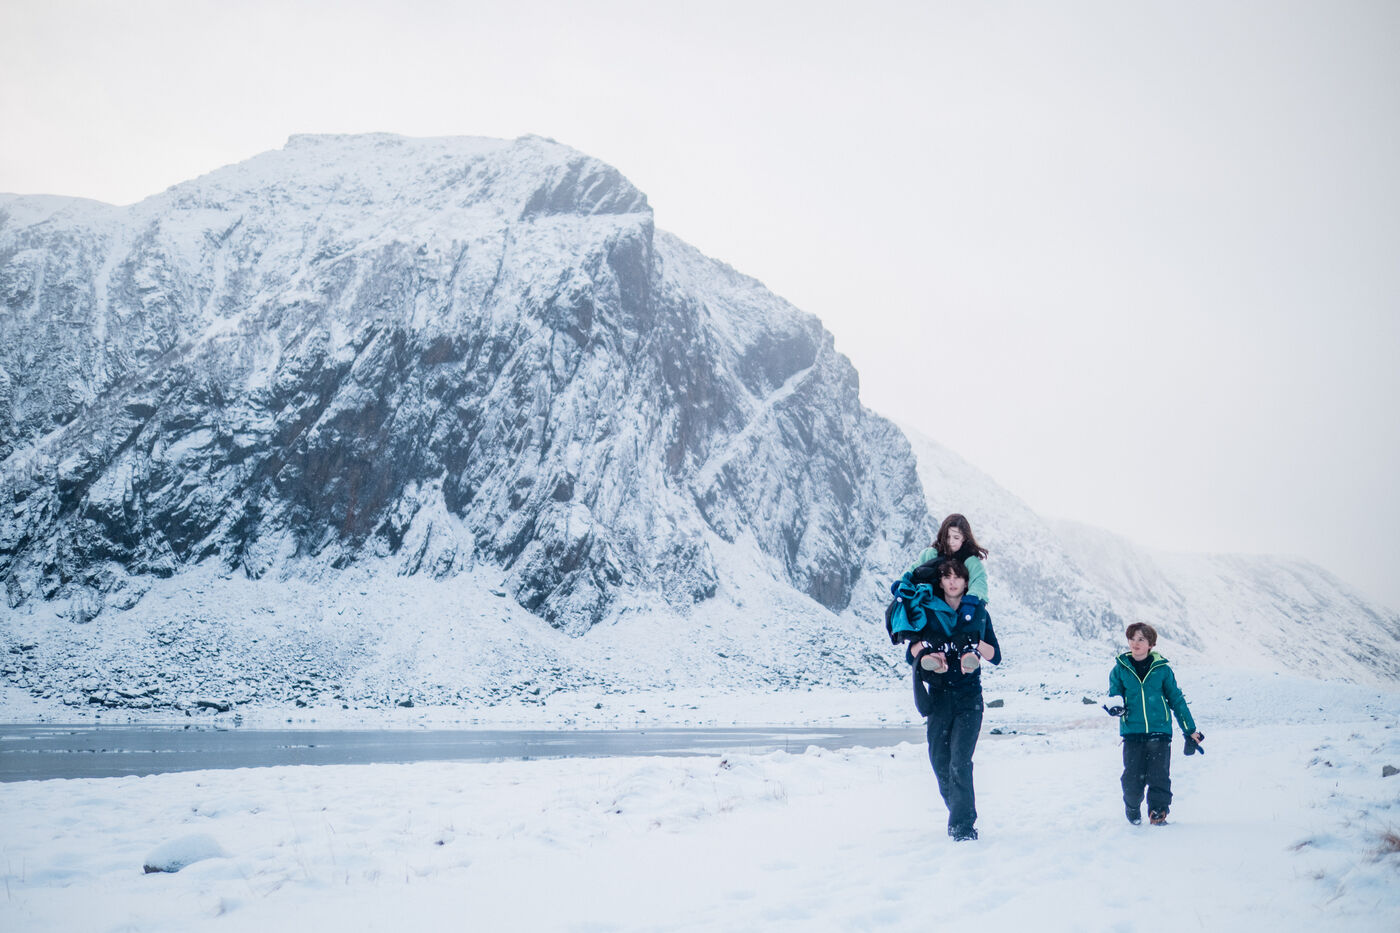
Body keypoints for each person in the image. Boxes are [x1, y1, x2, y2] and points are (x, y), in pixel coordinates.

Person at [904, 558, 1001, 841]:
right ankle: (959, 813)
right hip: (938, 698)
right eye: (947, 576)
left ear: (966, 581)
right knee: (940, 763)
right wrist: (929, 646)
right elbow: (910, 654)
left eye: (958, 576)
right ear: (941, 581)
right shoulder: (930, 610)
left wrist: (974, 644)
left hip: (969, 698)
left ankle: (963, 828)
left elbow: (996, 655)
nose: (952, 581)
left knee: (960, 761)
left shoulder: (979, 612)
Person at [1105, 623, 1204, 826]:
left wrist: (1190, 730)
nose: (1135, 643)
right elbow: (1114, 695)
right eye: (1132, 638)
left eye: (1141, 639)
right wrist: (1115, 707)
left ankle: (1158, 813)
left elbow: (1177, 700)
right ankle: (1132, 806)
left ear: (1151, 644)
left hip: (1160, 732)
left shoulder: (1162, 670)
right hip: (1132, 732)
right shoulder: (1119, 670)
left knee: (1159, 777)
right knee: (1131, 781)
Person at [907, 513, 989, 603]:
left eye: (956, 538)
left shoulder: (970, 561)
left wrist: (971, 600)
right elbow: (914, 569)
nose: (951, 542)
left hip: (958, 604)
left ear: (964, 538)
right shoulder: (932, 553)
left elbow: (978, 581)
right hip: (929, 601)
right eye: (947, 537)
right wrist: (901, 582)